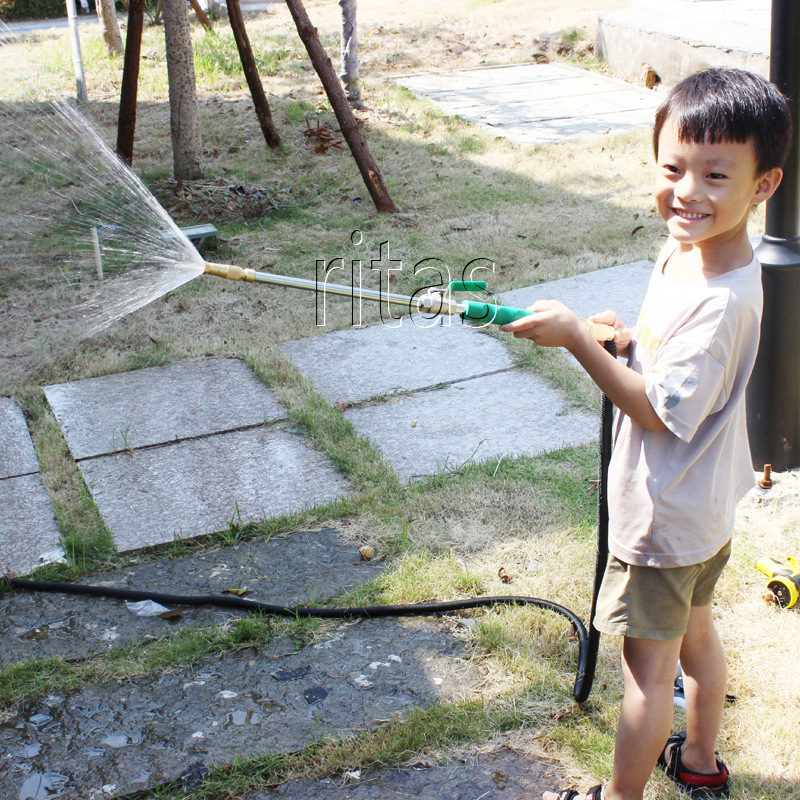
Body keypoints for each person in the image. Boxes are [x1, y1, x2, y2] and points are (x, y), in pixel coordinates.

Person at [500, 68, 792, 800]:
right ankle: (699, 760)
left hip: (665, 516)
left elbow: (658, 411)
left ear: (763, 185)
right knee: (696, 634)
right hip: (701, 510)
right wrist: (626, 341)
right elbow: (672, 368)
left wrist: (578, 341)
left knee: (647, 675)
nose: (687, 191)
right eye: (672, 169)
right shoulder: (691, 253)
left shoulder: (720, 302)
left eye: (715, 174)